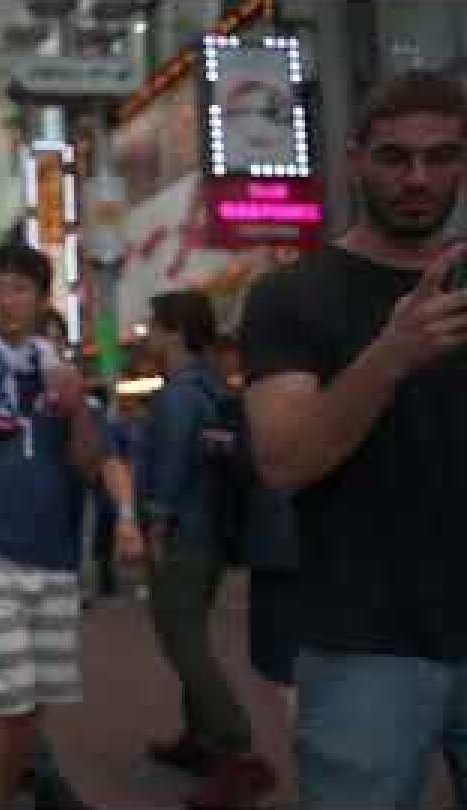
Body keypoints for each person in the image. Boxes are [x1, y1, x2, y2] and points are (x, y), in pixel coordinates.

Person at [240, 70, 467, 809]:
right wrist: (392, 354)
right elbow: (285, 460)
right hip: (364, 641)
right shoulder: (292, 297)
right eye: (396, 157)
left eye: (441, 157)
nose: (418, 178)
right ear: (355, 160)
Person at [0, 244, 129, 809]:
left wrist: (77, 406)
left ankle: (13, 793)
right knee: (4, 698)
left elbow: (91, 463)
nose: (7, 300)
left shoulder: (62, 376)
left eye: (20, 289)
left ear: (41, 299)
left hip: (55, 558)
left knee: (33, 700)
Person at [139, 291, 276, 808]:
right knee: (188, 632)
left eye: (154, 326)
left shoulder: (179, 395)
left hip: (183, 534)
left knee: (182, 640)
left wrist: (156, 527)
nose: (149, 335)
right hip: (211, 530)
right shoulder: (211, 387)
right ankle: (200, 739)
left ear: (174, 332)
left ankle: (238, 751)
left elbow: (171, 468)